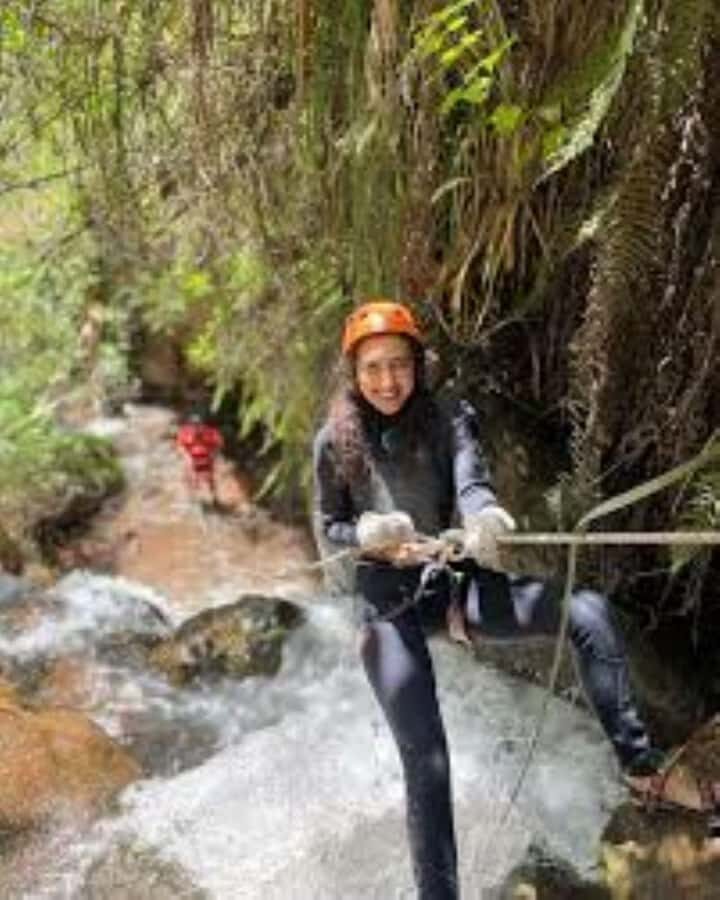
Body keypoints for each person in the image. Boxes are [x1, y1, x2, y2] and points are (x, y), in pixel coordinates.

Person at [312, 299, 713, 899]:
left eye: (399, 364)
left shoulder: (450, 417)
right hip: (388, 606)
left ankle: (641, 768)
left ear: (419, 365)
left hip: (453, 586)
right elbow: (330, 523)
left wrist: (483, 519)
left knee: (588, 614)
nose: (387, 380)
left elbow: (473, 484)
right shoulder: (334, 442)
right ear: (354, 373)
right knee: (428, 761)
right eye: (372, 368)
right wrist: (366, 535)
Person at [176, 412, 224, 506]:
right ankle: (193, 498)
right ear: (190, 425)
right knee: (190, 476)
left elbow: (219, 444)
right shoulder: (185, 432)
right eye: (194, 425)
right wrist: (186, 456)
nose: (196, 427)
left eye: (198, 424)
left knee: (210, 478)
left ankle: (215, 498)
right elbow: (180, 446)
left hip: (207, 457)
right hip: (192, 458)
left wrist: (213, 455)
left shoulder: (211, 432)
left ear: (202, 424)